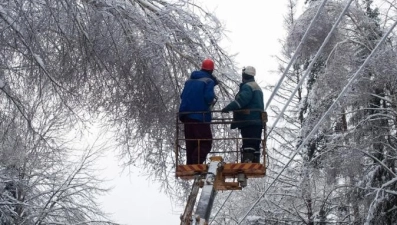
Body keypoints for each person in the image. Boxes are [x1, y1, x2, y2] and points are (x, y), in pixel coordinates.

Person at [179, 59, 218, 164]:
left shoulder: (189, 81)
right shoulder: (209, 81)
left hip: (186, 116)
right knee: (206, 142)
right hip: (200, 116)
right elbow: (208, 97)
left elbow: (183, 96)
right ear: (211, 70)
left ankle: (191, 164)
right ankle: (197, 161)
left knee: (191, 142)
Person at [221, 66, 264, 163]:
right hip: (257, 121)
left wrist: (228, 108)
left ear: (244, 75)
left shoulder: (247, 86)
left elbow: (242, 100)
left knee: (248, 142)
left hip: (248, 121)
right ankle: (255, 160)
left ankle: (248, 160)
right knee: (255, 143)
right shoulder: (257, 87)